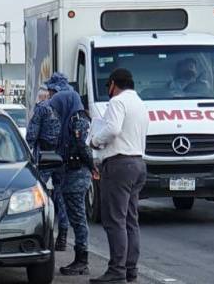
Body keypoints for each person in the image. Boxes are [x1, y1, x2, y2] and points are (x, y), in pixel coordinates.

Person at [89, 68, 149, 284]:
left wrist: (95, 140)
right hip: (138, 163)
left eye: (108, 87)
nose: (108, 91)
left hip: (119, 164)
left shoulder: (117, 102)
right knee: (131, 220)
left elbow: (113, 129)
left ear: (113, 84)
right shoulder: (140, 103)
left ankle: (116, 270)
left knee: (115, 220)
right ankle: (130, 270)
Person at [46, 72, 93, 273]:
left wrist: (93, 166)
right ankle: (81, 259)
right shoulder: (67, 120)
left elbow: (82, 146)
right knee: (76, 218)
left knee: (79, 218)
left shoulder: (78, 119)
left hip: (77, 174)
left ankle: (82, 261)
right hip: (69, 174)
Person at [25, 84, 62, 184]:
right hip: (61, 154)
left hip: (44, 154)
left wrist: (26, 150)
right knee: (60, 186)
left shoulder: (42, 107)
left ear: (49, 92)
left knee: (39, 185)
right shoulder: (65, 106)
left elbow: (32, 133)